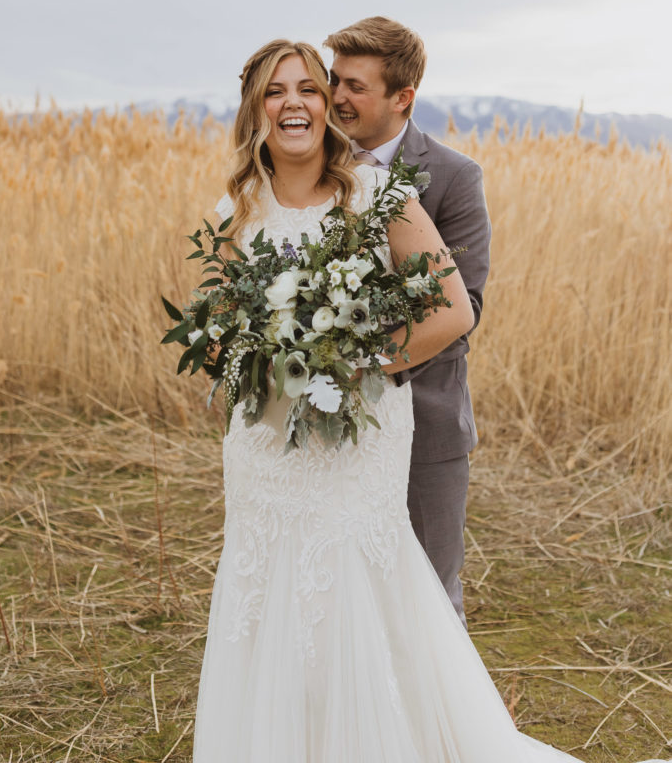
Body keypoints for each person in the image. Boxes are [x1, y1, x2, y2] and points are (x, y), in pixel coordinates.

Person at [192, 39, 666, 763]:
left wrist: (358, 368)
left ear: (326, 105)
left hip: (359, 434)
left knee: (351, 580)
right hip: (266, 442)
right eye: (275, 91)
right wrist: (256, 360)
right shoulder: (235, 209)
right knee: (268, 580)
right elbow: (216, 330)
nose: (293, 104)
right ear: (255, 108)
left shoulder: (379, 195)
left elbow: (451, 310)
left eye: (308, 90)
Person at [325, 16, 491, 625]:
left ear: (403, 98)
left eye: (356, 87)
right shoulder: (306, 167)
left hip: (426, 417)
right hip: (322, 423)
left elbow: (464, 306)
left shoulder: (453, 177)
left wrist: (357, 364)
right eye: (335, 81)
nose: (338, 98)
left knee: (428, 592)